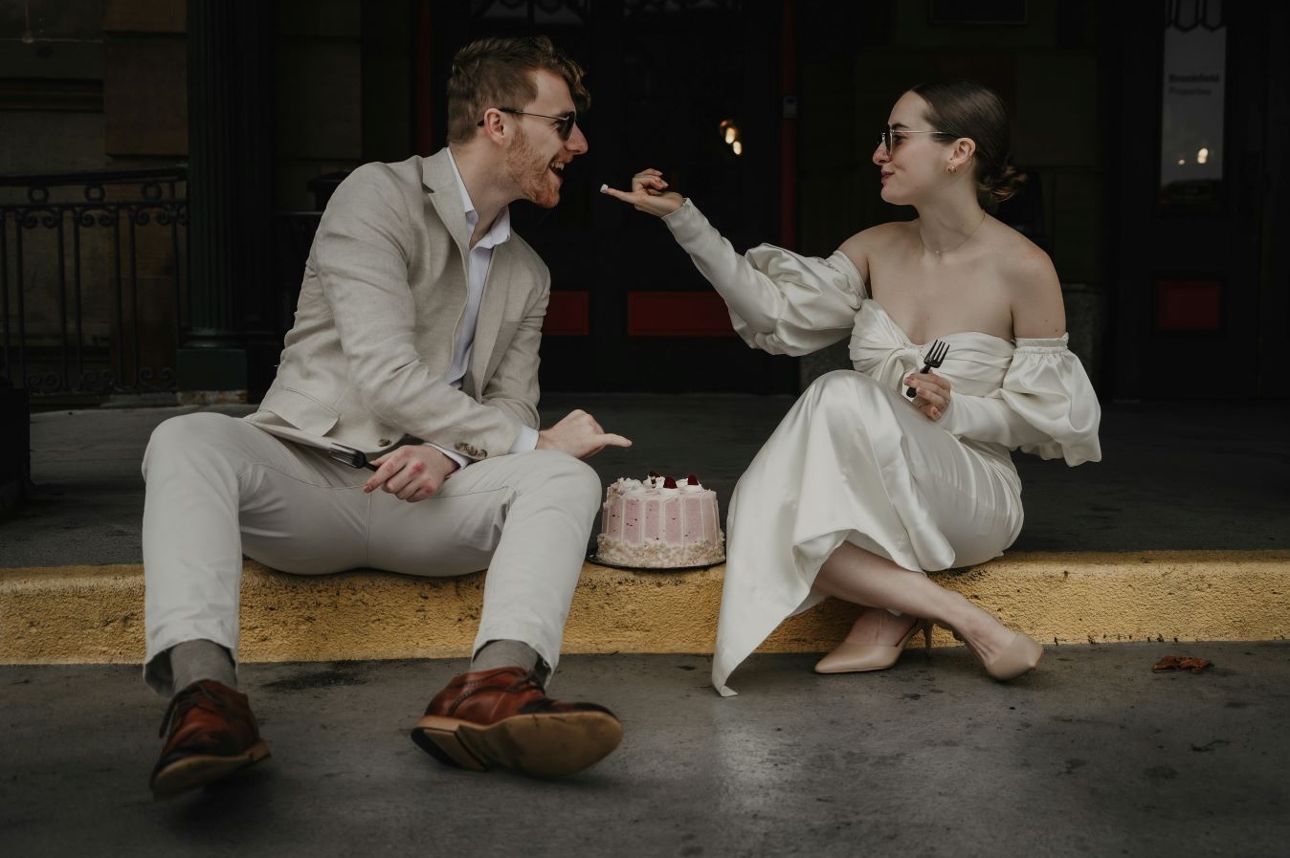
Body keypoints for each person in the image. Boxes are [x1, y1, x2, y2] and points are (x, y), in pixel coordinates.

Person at [143, 35, 631, 798]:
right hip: (308, 478)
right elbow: (384, 373)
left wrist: (454, 453)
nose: (579, 144)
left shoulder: (528, 272)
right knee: (184, 439)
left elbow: (510, 400)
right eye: (563, 124)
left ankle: (492, 690)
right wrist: (531, 441)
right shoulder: (377, 195)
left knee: (564, 483)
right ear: (499, 123)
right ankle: (204, 702)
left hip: (427, 504)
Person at [603, 80, 1101, 696]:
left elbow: (1047, 422)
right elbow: (773, 314)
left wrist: (957, 410)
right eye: (881, 138)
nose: (878, 153)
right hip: (876, 487)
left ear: (958, 152)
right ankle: (961, 620)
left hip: (972, 493)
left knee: (837, 393)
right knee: (766, 513)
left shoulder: (1025, 268)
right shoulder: (874, 248)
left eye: (897, 137)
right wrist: (686, 221)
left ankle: (892, 607)